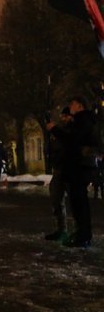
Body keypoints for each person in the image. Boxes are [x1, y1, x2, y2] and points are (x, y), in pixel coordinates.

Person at [47, 97, 98, 248]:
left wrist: (54, 129)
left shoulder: (83, 121)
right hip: (76, 166)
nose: (70, 107)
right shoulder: (83, 121)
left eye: (73, 105)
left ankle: (82, 235)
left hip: (79, 166)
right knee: (76, 202)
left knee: (79, 202)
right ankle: (81, 234)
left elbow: (72, 140)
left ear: (80, 106)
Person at [45, 107, 72, 241]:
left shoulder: (71, 130)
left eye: (66, 116)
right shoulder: (59, 133)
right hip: (58, 169)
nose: (63, 118)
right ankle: (61, 229)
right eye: (62, 116)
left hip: (69, 169)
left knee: (74, 201)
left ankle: (77, 231)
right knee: (56, 199)